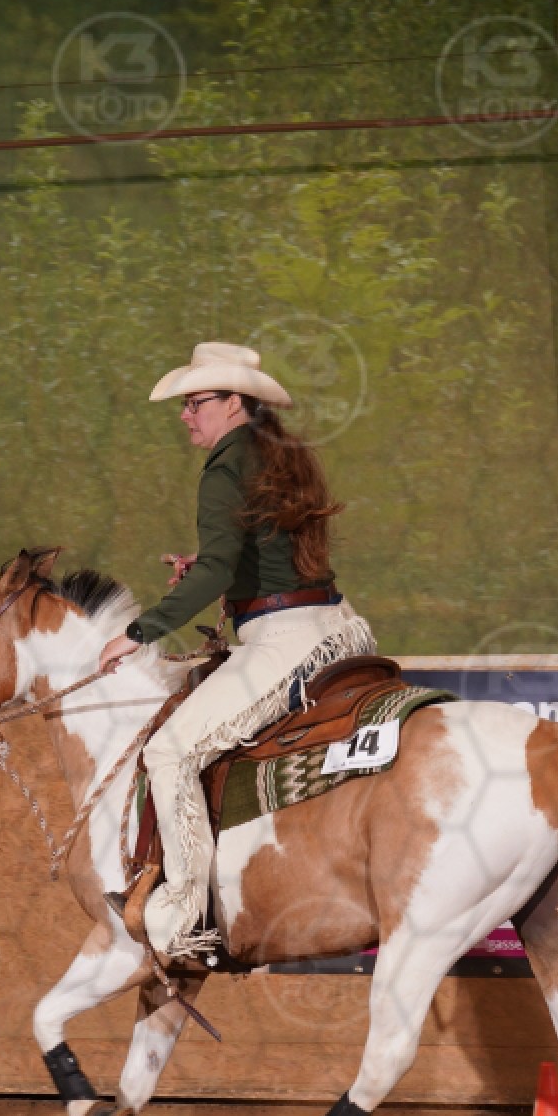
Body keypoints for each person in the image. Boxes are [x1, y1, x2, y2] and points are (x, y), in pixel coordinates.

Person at [95, 342, 375, 957]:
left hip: (285, 643)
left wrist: (139, 632)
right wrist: (211, 565)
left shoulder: (225, 466)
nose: (185, 415)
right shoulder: (281, 453)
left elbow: (219, 571)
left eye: (195, 402)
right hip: (338, 628)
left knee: (168, 751)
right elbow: (261, 555)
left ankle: (183, 915)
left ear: (233, 403)